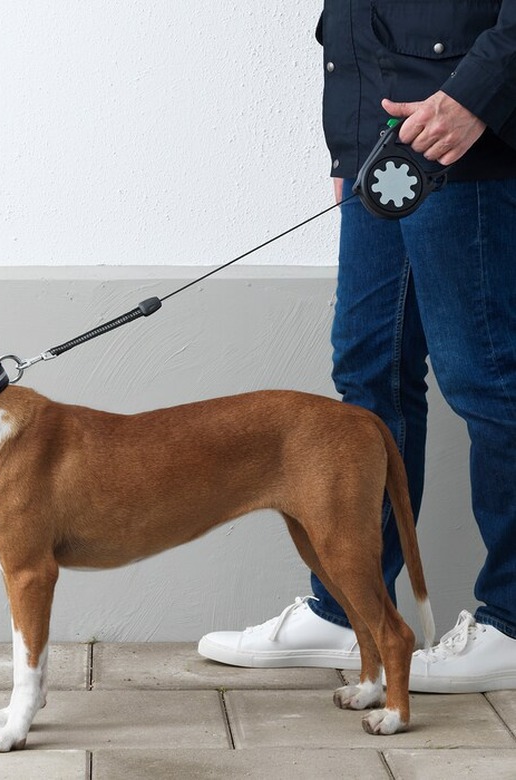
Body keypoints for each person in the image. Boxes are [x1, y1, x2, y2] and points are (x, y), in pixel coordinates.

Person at [198, 1, 516, 692]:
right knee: (368, 376)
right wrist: (348, 141)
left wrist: (478, 93)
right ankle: (350, 612)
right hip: (380, 140)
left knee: (487, 378)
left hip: (464, 138)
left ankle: (514, 623)